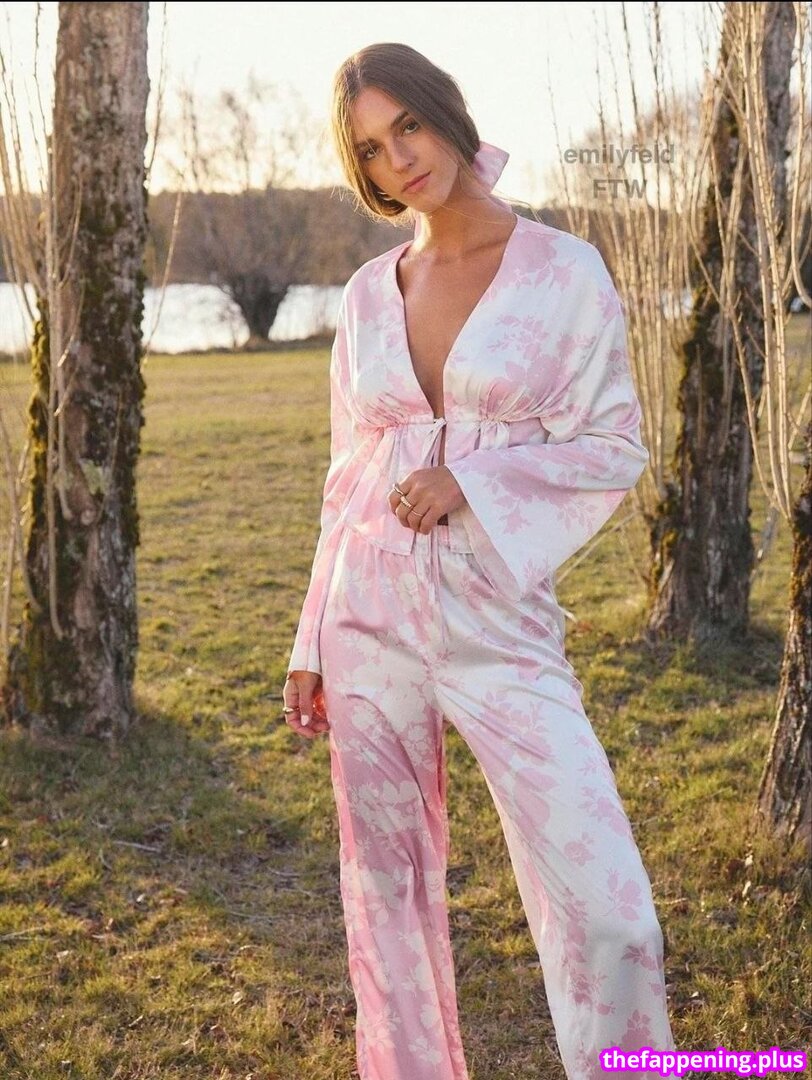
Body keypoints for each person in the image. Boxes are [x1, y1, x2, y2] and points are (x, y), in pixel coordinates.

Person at [282, 41, 677, 1080]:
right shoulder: (368, 293)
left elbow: (610, 443)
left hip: (497, 624)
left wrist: (472, 480)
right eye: (372, 149)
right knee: (385, 900)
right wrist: (311, 634)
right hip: (367, 616)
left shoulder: (563, 271)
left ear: (444, 112)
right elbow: (346, 473)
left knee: (610, 914)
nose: (398, 159)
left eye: (406, 126)